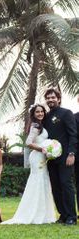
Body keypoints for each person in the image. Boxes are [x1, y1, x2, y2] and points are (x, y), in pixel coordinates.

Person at [2, 104, 56, 224]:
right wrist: (42, 149)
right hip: (38, 157)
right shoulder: (35, 125)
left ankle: (44, 214)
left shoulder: (41, 125)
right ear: (33, 114)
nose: (40, 113)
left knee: (43, 182)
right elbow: (28, 142)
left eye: (42, 111)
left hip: (41, 156)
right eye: (37, 112)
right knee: (38, 182)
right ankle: (35, 213)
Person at [43, 89, 77, 225]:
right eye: (48, 98)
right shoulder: (46, 117)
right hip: (51, 158)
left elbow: (73, 134)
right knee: (55, 186)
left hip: (65, 157)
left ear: (58, 98)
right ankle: (62, 215)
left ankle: (71, 217)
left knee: (66, 184)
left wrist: (71, 153)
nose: (50, 100)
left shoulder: (66, 113)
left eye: (53, 97)